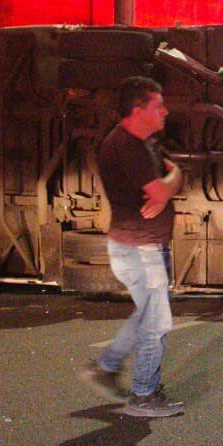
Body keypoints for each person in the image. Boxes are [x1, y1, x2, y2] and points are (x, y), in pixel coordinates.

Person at [78, 76, 186, 419]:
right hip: (143, 249)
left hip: (136, 246)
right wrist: (171, 182)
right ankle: (144, 395)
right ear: (138, 111)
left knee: (147, 315)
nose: (165, 112)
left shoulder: (140, 144)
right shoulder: (127, 147)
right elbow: (165, 188)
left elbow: (170, 183)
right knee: (155, 322)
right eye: (158, 106)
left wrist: (170, 183)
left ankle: (106, 367)